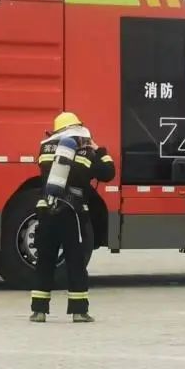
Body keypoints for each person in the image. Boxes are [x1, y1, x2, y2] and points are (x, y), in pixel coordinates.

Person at [29, 111, 115, 323]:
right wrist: (100, 150)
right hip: (72, 212)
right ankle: (79, 311)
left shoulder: (45, 149)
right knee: (75, 261)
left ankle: (39, 310)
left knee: (45, 259)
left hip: (46, 208)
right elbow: (107, 173)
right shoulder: (84, 152)